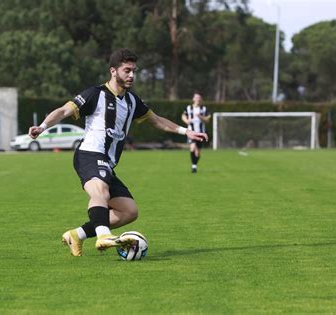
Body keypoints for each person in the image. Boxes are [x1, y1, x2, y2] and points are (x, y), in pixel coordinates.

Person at [29, 48, 208, 257]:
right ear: (113, 71)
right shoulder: (95, 94)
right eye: (127, 70)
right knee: (101, 192)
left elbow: (158, 121)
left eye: (134, 71)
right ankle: (103, 236)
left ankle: (76, 235)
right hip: (89, 154)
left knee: (129, 211)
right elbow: (63, 111)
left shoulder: (133, 101)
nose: (131, 75)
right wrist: (42, 126)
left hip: (108, 162)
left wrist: (187, 131)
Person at [181, 93, 210, 173]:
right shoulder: (188, 108)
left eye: (199, 97)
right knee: (192, 147)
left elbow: (207, 120)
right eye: (196, 97)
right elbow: (183, 116)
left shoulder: (203, 109)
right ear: (193, 99)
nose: (197, 99)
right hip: (191, 132)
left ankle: (194, 165)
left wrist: (200, 117)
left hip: (201, 133)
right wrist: (186, 121)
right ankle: (193, 166)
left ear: (201, 99)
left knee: (198, 152)